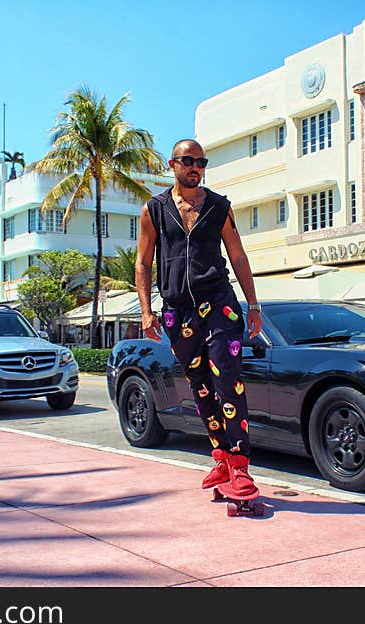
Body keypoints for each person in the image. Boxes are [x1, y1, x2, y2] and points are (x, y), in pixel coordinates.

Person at [135, 139, 263, 497]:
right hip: (177, 311)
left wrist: (252, 305)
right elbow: (143, 263)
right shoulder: (154, 210)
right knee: (201, 387)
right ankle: (220, 457)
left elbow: (237, 257)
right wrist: (146, 310)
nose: (196, 167)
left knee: (228, 382)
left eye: (201, 162)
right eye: (188, 161)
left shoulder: (219, 207)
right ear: (172, 164)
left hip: (219, 303)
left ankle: (240, 466)